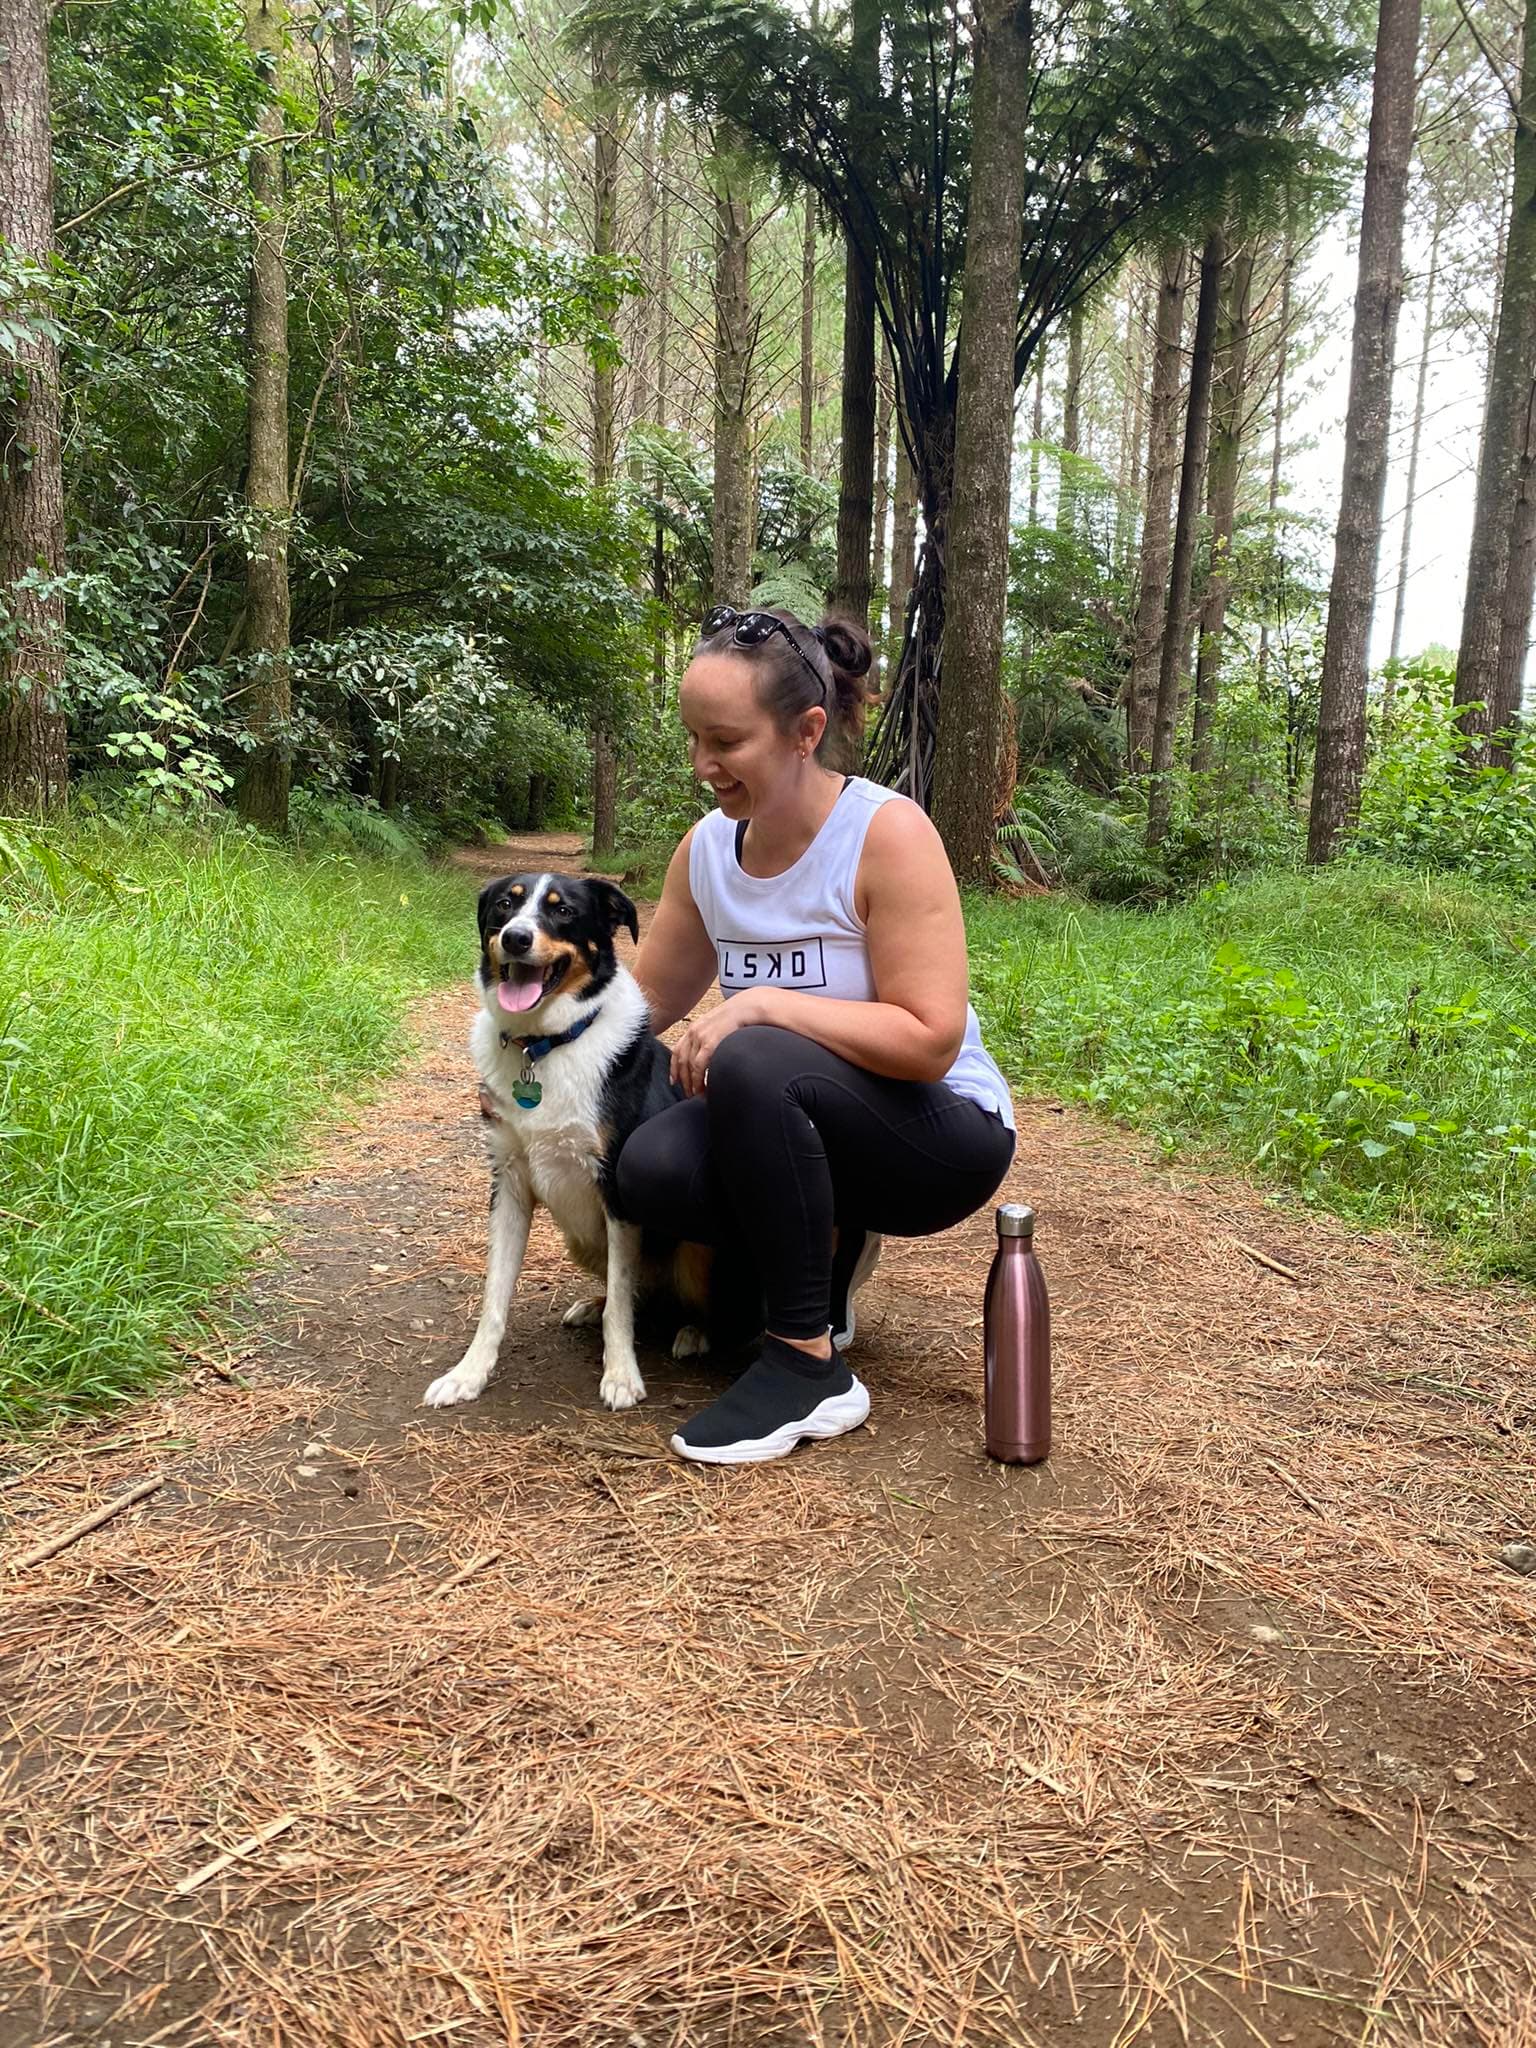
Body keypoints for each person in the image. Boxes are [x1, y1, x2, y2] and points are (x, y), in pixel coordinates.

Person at [620, 604, 1016, 1467]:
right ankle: (819, 1255)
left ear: (805, 731)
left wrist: (762, 1004)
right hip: (791, 1124)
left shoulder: (885, 833)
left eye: (725, 742)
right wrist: (530, 1047)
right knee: (648, 1167)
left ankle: (807, 1365)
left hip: (938, 1132)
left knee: (757, 1051)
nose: (702, 766)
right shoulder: (706, 853)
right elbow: (641, 1005)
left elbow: (929, 1038)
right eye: (693, 739)